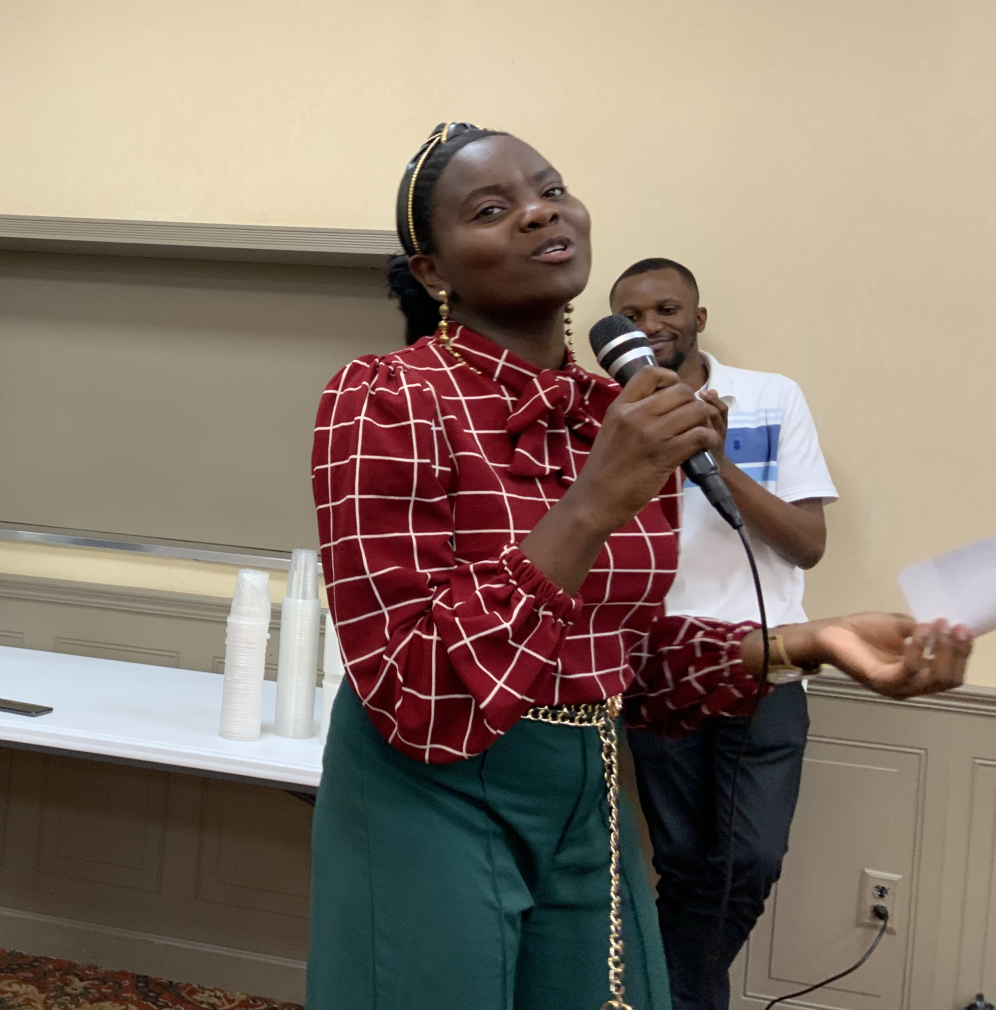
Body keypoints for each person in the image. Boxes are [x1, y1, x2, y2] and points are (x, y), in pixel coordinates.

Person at [308, 123, 971, 1010]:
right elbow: (414, 687)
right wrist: (592, 503)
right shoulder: (385, 399)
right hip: (432, 791)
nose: (540, 212)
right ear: (433, 270)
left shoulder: (612, 415)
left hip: (587, 794)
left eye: (552, 189)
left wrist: (813, 642)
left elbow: (628, 661)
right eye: (493, 209)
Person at [610, 257, 835, 1010]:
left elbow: (807, 543)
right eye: (631, 316)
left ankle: (666, 999)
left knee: (751, 861)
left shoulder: (772, 397)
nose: (650, 326)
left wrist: (711, 455)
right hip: (659, 671)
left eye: (667, 309)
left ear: (698, 318)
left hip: (769, 662)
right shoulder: (605, 420)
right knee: (682, 862)